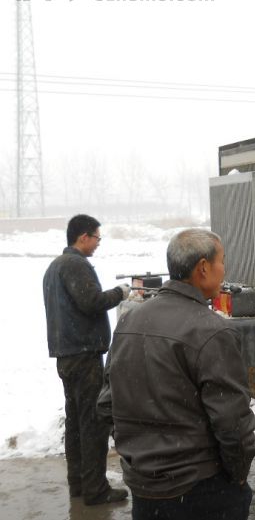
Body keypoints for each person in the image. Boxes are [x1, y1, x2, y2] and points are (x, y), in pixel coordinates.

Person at [98, 229, 255, 520]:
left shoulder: (130, 320)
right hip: (202, 491)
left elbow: (107, 404)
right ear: (203, 268)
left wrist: (140, 457)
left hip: (147, 493)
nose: (224, 270)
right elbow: (232, 424)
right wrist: (237, 476)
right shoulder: (212, 331)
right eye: (222, 261)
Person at [42, 214, 130, 505]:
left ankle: (78, 484)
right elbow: (91, 302)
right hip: (83, 355)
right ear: (83, 237)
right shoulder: (75, 265)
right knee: (93, 422)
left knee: (76, 423)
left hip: (66, 355)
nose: (98, 243)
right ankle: (95, 489)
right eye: (97, 238)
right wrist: (121, 293)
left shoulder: (54, 267)